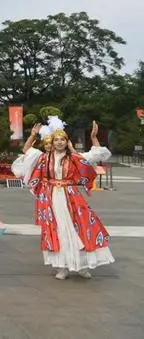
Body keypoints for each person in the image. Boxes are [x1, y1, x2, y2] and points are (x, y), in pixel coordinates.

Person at [27, 116, 113, 280]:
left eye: (63, 139)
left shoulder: (74, 157)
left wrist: (94, 137)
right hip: (52, 197)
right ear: (52, 142)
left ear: (67, 142)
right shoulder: (45, 158)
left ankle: (82, 265)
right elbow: (27, 152)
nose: (59, 142)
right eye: (56, 140)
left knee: (79, 228)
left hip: (71, 196)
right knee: (58, 230)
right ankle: (63, 266)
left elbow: (97, 155)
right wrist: (32, 136)